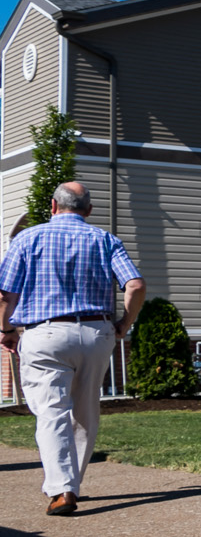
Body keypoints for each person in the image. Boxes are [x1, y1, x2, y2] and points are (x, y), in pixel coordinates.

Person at [0, 183, 145, 515]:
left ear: (53, 206)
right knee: (85, 411)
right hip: (96, 332)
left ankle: (62, 489)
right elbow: (135, 285)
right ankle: (70, 485)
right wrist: (125, 322)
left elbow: (4, 295)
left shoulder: (27, 238)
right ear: (88, 210)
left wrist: (5, 330)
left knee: (52, 412)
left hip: (45, 333)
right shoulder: (105, 240)